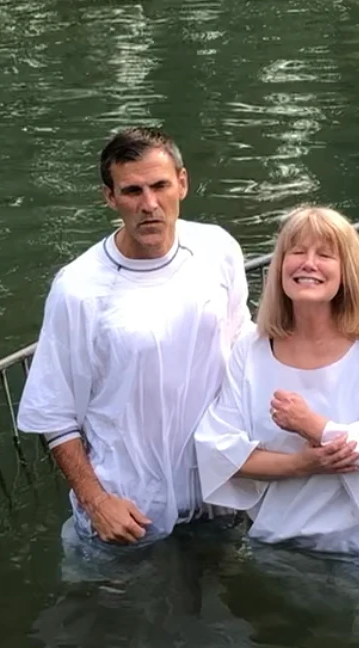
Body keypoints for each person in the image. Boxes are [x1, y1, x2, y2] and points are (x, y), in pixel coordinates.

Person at [17, 126, 251, 546]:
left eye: (160, 186)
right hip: (130, 510)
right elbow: (53, 411)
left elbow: (242, 349)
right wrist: (96, 502)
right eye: (132, 191)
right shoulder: (79, 288)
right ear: (109, 197)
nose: (149, 205)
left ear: (182, 183)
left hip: (219, 494)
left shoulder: (218, 250)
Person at [193, 205, 359, 556]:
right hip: (276, 547)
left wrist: (315, 427)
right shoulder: (251, 349)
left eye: (324, 255)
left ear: (348, 271)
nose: (308, 263)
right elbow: (219, 453)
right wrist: (303, 464)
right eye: (296, 252)